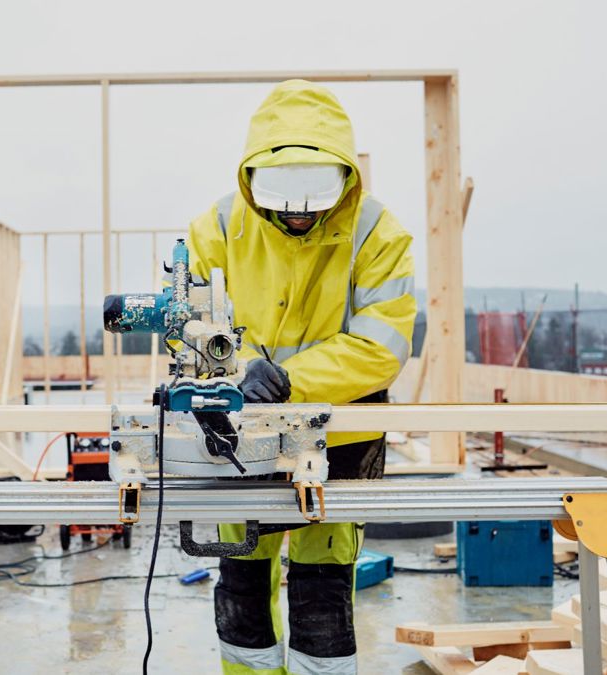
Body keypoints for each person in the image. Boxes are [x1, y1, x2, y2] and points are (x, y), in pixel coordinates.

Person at [187, 79, 417, 674]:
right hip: (243, 432)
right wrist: (235, 372)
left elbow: (383, 344)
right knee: (242, 586)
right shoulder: (215, 228)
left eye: (312, 196)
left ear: (342, 177)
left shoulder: (377, 233)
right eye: (281, 197)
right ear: (252, 178)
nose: (296, 213)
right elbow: (181, 323)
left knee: (322, 596)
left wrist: (287, 379)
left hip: (338, 437)